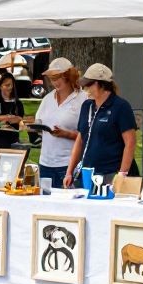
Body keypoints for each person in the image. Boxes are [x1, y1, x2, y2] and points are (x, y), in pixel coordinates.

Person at [64, 64, 137, 187]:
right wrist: (69, 172)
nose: (86, 89)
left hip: (111, 172)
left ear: (100, 84)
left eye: (89, 85)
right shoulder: (86, 106)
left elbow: (130, 142)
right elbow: (80, 140)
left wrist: (122, 174)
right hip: (87, 172)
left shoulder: (121, 106)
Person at [34, 58, 86, 188]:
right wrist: (33, 127)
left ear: (68, 77)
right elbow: (39, 121)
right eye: (52, 79)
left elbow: (88, 136)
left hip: (68, 164)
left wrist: (67, 134)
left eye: (58, 78)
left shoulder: (83, 99)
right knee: (46, 203)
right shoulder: (47, 98)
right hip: (46, 162)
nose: (54, 82)